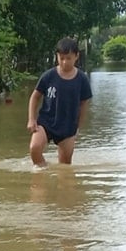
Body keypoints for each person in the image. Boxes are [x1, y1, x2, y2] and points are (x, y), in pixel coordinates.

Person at [26, 37, 91, 166]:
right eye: (61, 58)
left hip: (68, 126)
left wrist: (78, 126)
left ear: (76, 56)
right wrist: (31, 119)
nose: (65, 62)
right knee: (34, 148)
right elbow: (35, 97)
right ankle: (42, 174)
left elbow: (84, 104)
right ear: (57, 57)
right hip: (46, 122)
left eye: (68, 58)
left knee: (65, 166)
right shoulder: (48, 76)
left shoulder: (82, 79)